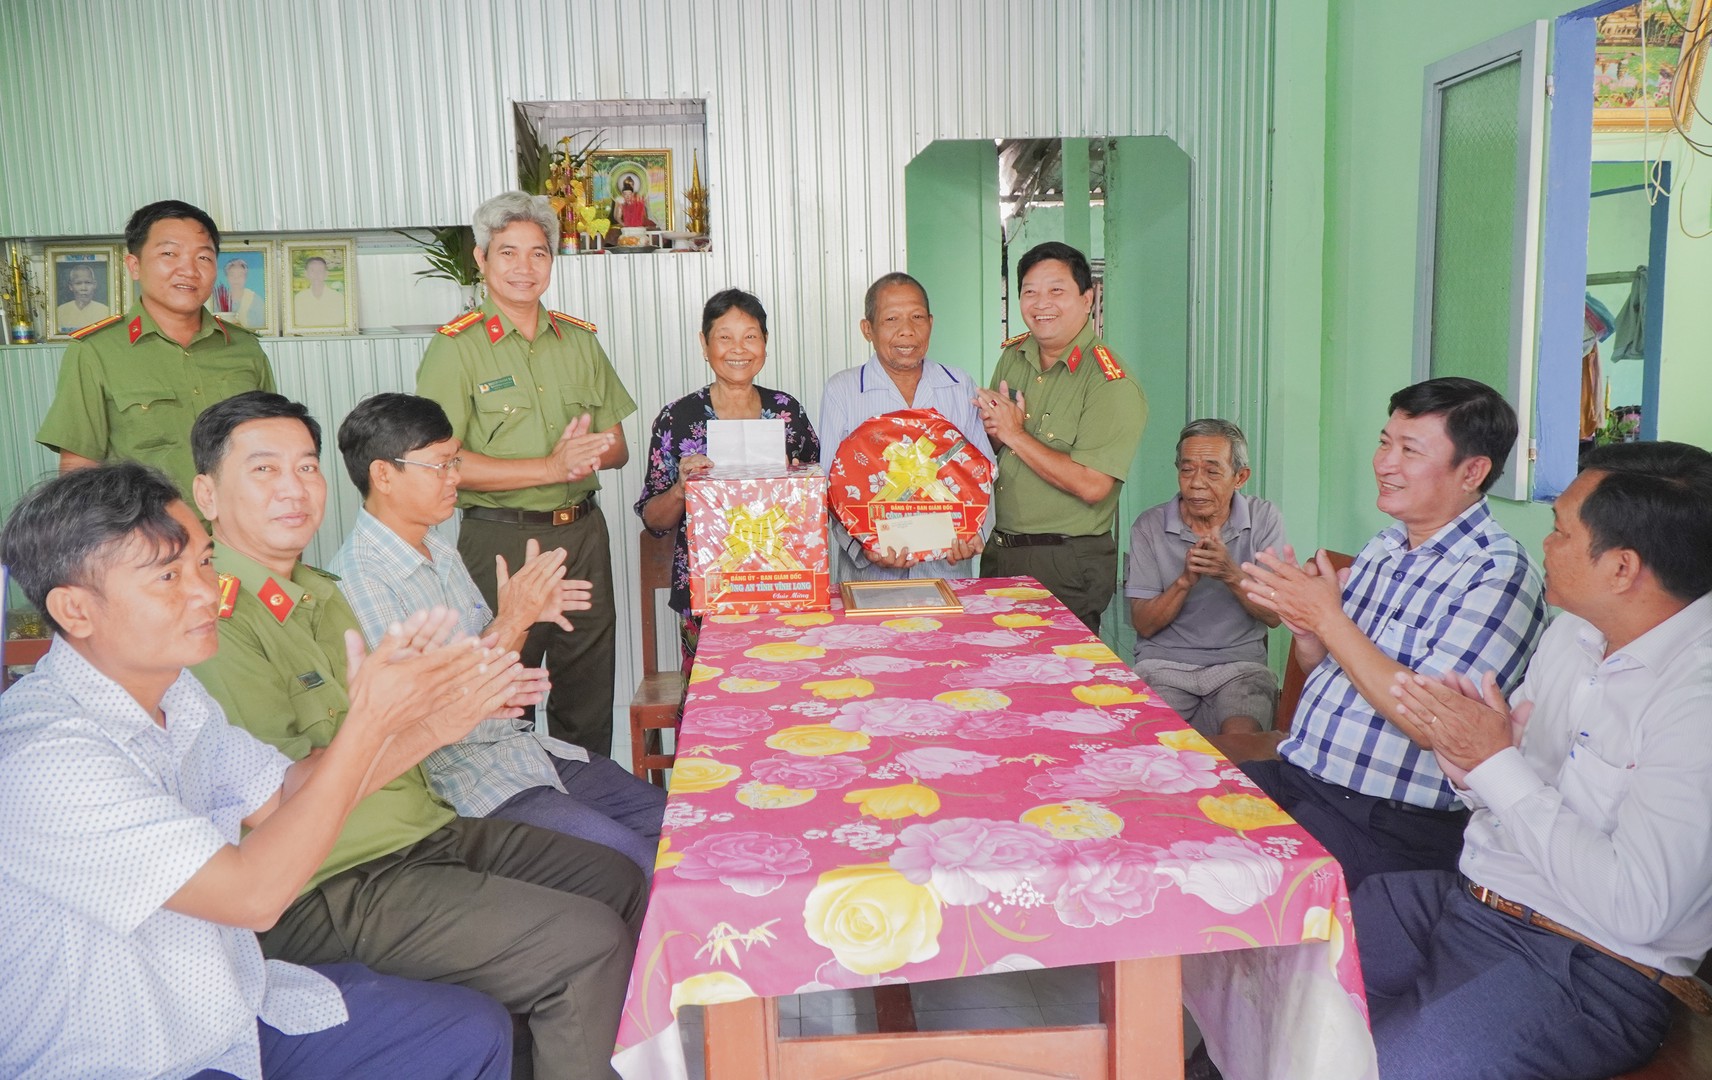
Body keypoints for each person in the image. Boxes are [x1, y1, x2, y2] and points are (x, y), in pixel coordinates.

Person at [0, 462, 517, 1080]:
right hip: (136, 1060)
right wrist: (371, 721)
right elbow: (254, 898)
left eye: (205, 562)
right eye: (168, 575)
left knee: (469, 1031)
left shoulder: (179, 696)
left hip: (231, 1015)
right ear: (75, 611)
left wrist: (436, 722)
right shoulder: (47, 759)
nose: (204, 591)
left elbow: (285, 794)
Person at [186, 391, 647, 1080]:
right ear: (207, 494)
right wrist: (452, 705)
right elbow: (279, 800)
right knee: (587, 943)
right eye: (264, 470)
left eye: (306, 468)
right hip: (334, 876)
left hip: (424, 830)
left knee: (617, 877)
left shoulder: (320, 592)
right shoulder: (219, 623)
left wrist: (470, 684)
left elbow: (418, 708)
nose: (294, 489)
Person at [1357, 441, 1712, 1080]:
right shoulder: (1574, 632)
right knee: (1281, 958)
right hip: (1473, 899)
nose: (1543, 545)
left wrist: (1497, 765)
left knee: (1393, 1066)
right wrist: (1471, 761)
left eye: (1559, 531)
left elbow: (1639, 908)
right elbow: (1508, 782)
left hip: (1591, 964)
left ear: (1623, 567)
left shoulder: (1696, 698)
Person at [331, 392, 666, 875]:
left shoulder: (436, 546)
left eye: (455, 463)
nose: (455, 478)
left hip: (521, 749)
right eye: (440, 466)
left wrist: (520, 618)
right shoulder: (362, 578)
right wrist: (514, 621)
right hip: (466, 779)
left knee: (678, 826)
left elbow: (479, 657)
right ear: (384, 474)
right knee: (631, 862)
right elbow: (427, 720)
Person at [1239, 377, 1547, 887]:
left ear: (1473, 471)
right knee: (1163, 812)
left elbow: (1434, 726)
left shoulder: (1498, 572)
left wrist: (1328, 619)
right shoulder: (1385, 546)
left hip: (1384, 823)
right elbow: (1330, 668)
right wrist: (1309, 632)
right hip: (1301, 779)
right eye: (1385, 442)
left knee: (1225, 884)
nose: (1385, 463)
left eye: (1410, 449)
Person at [418, 190, 636, 756]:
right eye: (508, 253)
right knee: (500, 688)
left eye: (537, 254)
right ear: (481, 259)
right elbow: (442, 464)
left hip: (581, 535)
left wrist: (594, 452)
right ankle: (513, 815)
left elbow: (618, 448)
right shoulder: (455, 349)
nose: (523, 267)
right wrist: (549, 464)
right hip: (502, 538)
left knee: (586, 689)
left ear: (551, 263)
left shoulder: (580, 341)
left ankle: (591, 813)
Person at [35, 199, 276, 498]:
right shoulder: (96, 352)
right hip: (152, 539)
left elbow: (274, 447)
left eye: (203, 257)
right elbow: (79, 470)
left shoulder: (244, 347)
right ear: (134, 266)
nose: (188, 270)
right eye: (169, 253)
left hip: (243, 534)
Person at [636, 289, 819, 666]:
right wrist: (680, 490)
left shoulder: (788, 413)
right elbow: (654, 521)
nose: (739, 348)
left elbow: (818, 503)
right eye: (725, 336)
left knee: (785, 690)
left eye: (751, 336)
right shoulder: (678, 419)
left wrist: (794, 480)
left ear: (765, 344)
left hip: (783, 586)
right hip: (708, 596)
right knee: (713, 706)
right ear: (704, 344)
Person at [972, 241, 1147, 633]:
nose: (1041, 303)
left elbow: (1093, 485)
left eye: (1056, 290)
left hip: (1065, 559)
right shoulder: (1012, 358)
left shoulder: (1108, 381)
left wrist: (1014, 434)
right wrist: (996, 433)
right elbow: (996, 446)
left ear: (1087, 299)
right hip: (1002, 550)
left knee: (1057, 684)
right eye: (1029, 291)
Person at [818, 272, 992, 582]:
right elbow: (830, 487)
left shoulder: (958, 385)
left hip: (947, 571)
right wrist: (865, 547)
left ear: (931, 323)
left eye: (917, 317)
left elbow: (983, 471)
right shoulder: (842, 390)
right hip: (870, 579)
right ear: (867, 329)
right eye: (891, 320)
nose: (907, 331)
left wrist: (974, 532)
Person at [1126, 419, 1284, 745]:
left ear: (1240, 477)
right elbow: (1143, 624)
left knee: (1242, 748)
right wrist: (1185, 581)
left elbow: (1274, 616)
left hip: (1240, 668)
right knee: (1155, 747)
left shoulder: (1264, 519)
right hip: (1163, 665)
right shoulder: (1150, 525)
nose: (1196, 483)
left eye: (1212, 472)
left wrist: (1231, 573)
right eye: (1187, 470)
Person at [54, 262, 110, 333]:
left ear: (94, 284)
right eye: (78, 283)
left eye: (88, 283)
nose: (83, 288)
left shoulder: (105, 311)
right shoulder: (60, 312)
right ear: (71, 286)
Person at [290, 256, 345, 327]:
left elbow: (339, 323)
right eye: (312, 271)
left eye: (320, 271)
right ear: (306, 274)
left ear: (326, 274)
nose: (316, 274)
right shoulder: (299, 298)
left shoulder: (338, 297)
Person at [214, 256, 263, 329]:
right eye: (232, 275)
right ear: (227, 277)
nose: (236, 279)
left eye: (240, 275)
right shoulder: (217, 301)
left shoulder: (256, 300)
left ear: (245, 277)